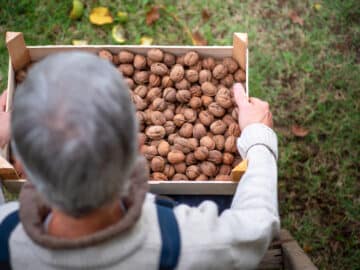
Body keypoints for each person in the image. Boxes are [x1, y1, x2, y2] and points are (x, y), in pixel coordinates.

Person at [0, 52, 279, 270]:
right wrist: (257, 138)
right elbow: (257, 225)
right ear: (140, 146)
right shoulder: (192, 242)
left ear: (20, 167)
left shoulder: (5, 235)